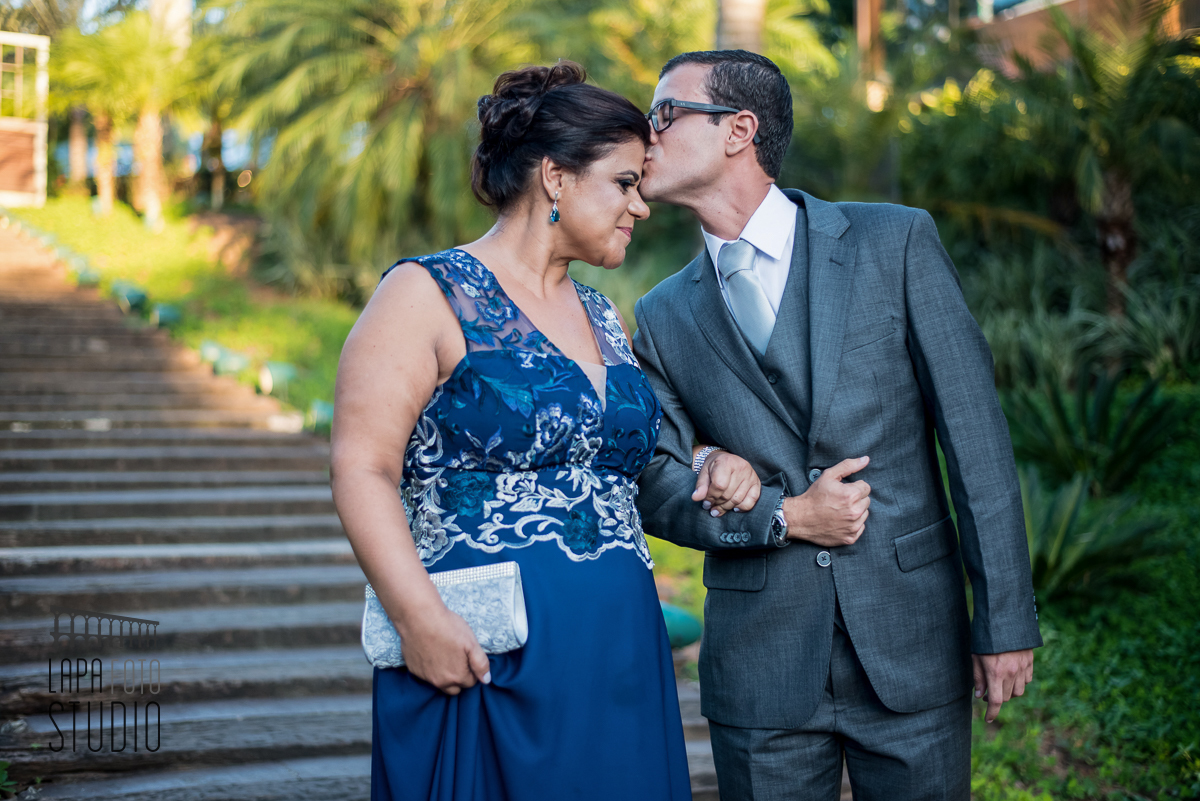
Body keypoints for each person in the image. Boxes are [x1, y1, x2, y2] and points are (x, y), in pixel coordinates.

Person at [331, 61, 757, 801]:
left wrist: (710, 458)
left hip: (619, 646)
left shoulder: (602, 315)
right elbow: (361, 467)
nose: (642, 206)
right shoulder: (425, 294)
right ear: (556, 178)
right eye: (626, 183)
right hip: (484, 654)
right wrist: (418, 618)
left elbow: (617, 450)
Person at [631, 49, 1043, 799]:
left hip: (913, 645)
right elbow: (654, 481)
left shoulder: (896, 243)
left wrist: (1005, 620)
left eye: (665, 113)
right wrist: (781, 516)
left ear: (738, 130)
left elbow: (976, 441)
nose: (645, 133)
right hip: (761, 670)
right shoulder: (662, 314)